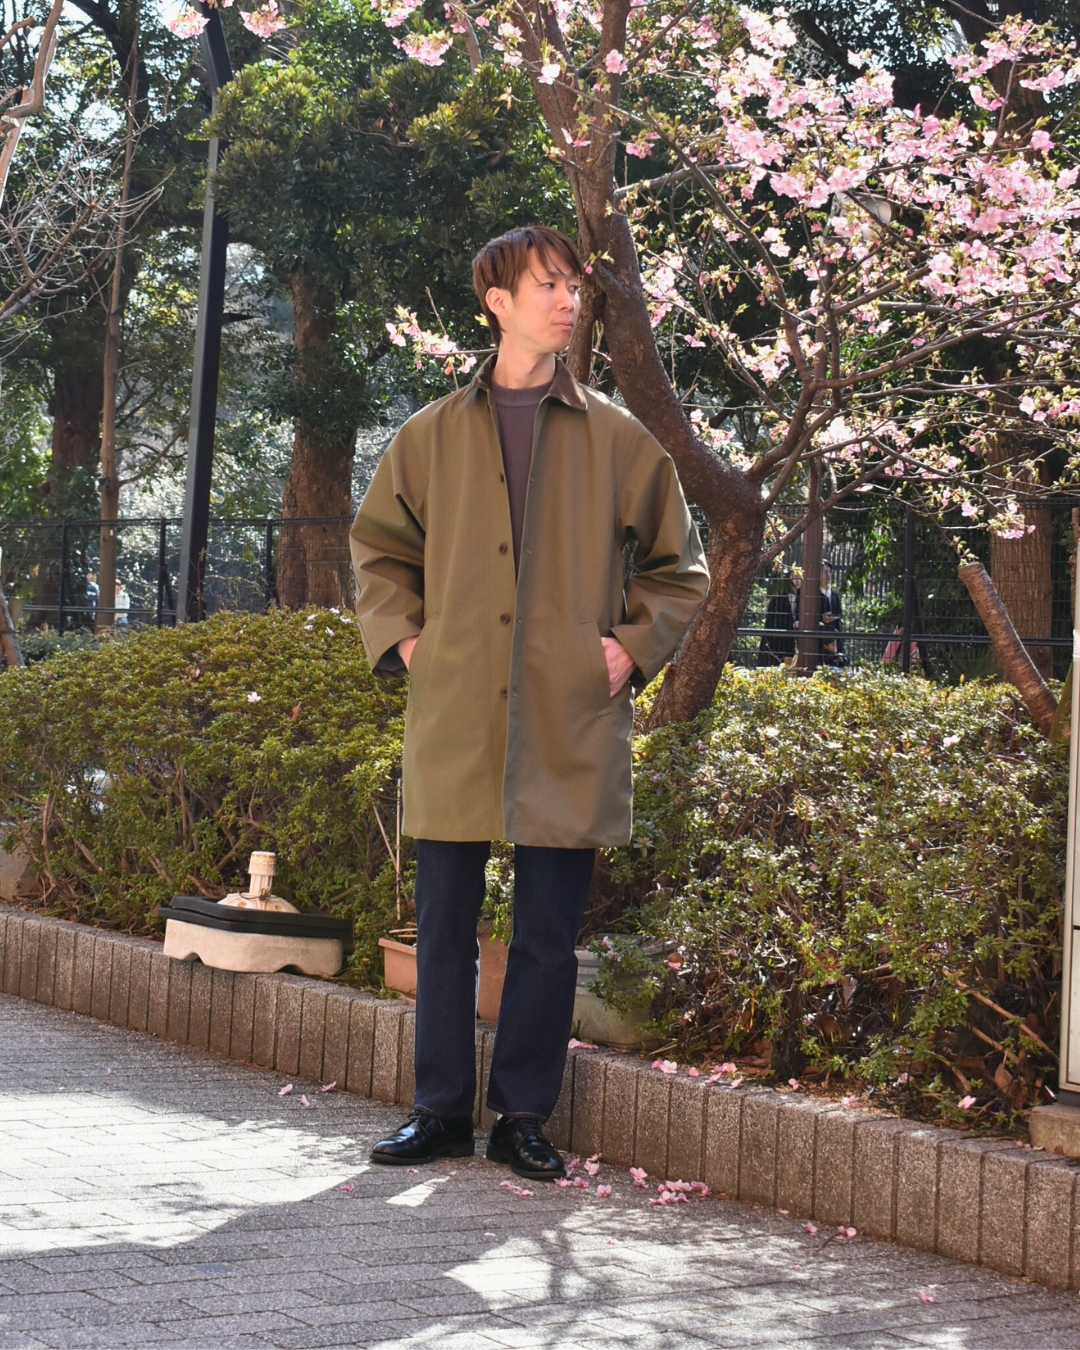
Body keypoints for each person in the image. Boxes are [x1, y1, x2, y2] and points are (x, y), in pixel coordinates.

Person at [349, 226, 709, 1181]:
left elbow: (679, 566)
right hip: (458, 708)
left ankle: (523, 1116)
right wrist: (412, 644)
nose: (566, 300)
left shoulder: (617, 438)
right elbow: (379, 549)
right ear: (496, 301)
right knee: (443, 927)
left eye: (572, 286)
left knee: (547, 932)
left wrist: (629, 647)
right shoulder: (430, 435)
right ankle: (437, 1110)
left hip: (566, 710)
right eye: (546, 284)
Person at [757, 573, 796, 667]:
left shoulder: (803, 597)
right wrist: (793, 624)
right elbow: (774, 620)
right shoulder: (778, 597)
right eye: (794, 578)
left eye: (799, 578)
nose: (797, 581)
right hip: (776, 642)